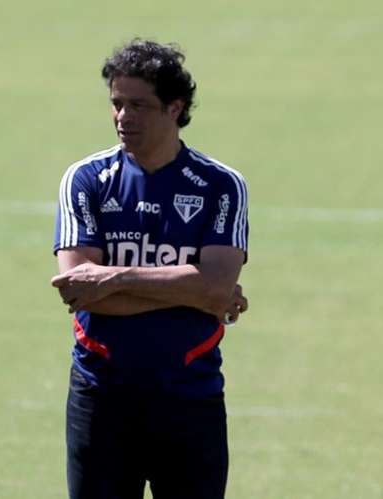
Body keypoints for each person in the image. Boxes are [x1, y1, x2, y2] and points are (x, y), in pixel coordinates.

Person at [51, 39, 249, 499]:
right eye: (117, 104)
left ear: (175, 108)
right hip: (100, 397)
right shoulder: (85, 179)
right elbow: (78, 290)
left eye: (138, 105)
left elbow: (218, 285)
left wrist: (114, 278)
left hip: (190, 396)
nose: (124, 117)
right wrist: (193, 287)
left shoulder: (221, 186)